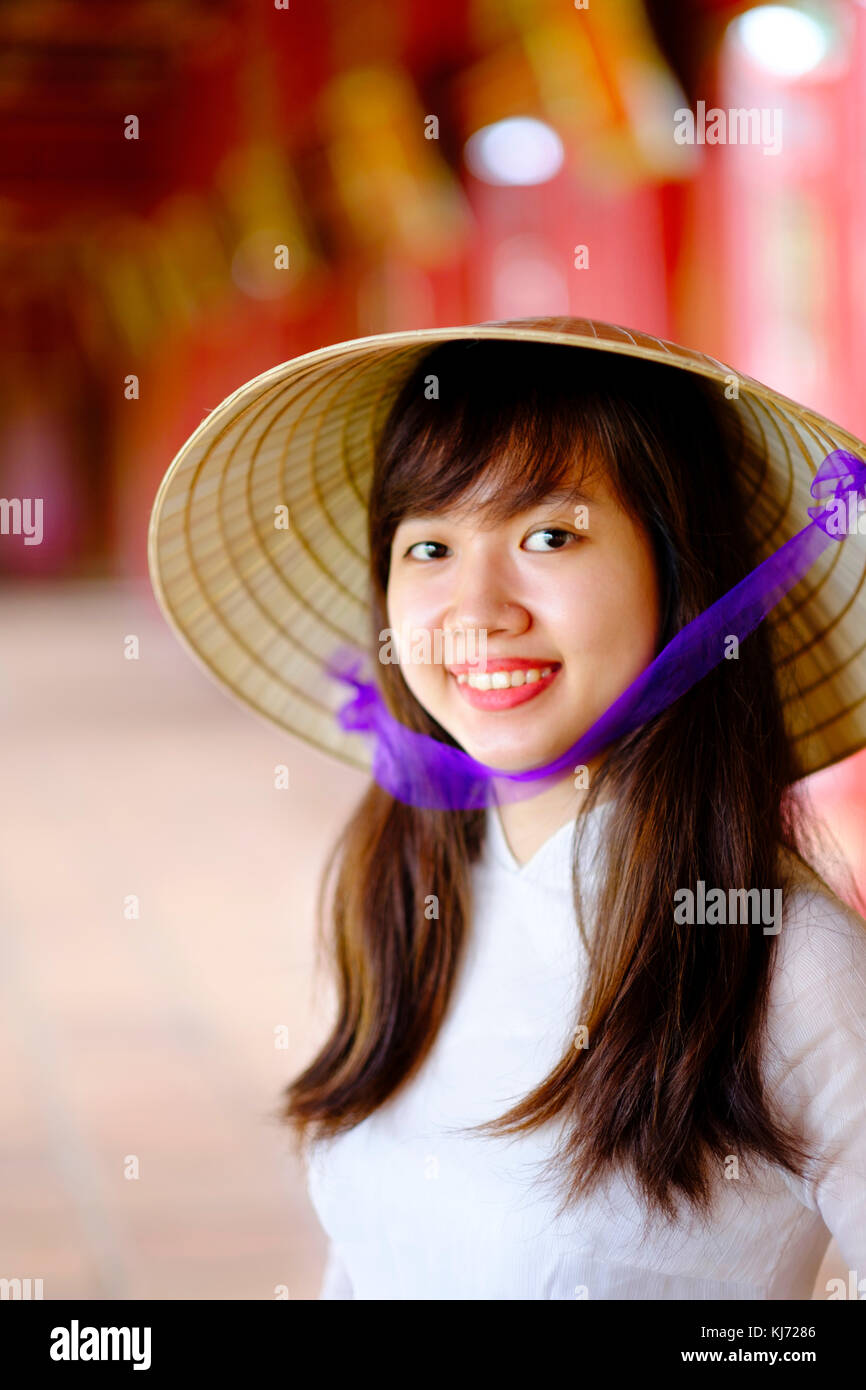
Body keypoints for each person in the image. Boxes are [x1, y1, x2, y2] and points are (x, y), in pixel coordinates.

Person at [147, 318, 866, 1300]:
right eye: (430, 544)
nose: (477, 609)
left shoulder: (785, 960)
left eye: (548, 534)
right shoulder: (397, 899)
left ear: (676, 570)